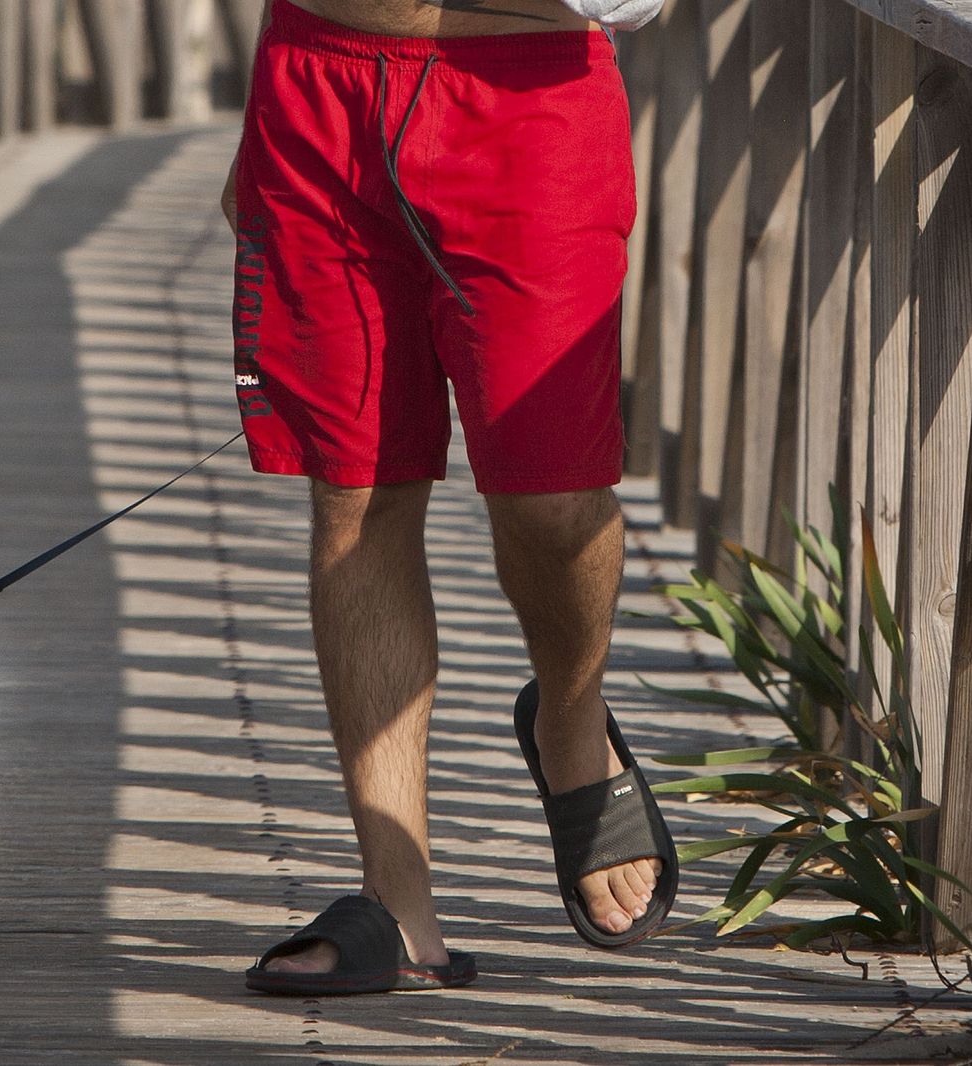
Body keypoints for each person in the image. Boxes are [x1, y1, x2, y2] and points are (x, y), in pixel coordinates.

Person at [222, 0, 678, 994]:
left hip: (530, 94)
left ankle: (570, 713)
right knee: (356, 497)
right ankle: (397, 906)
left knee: (552, 500)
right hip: (316, 84)